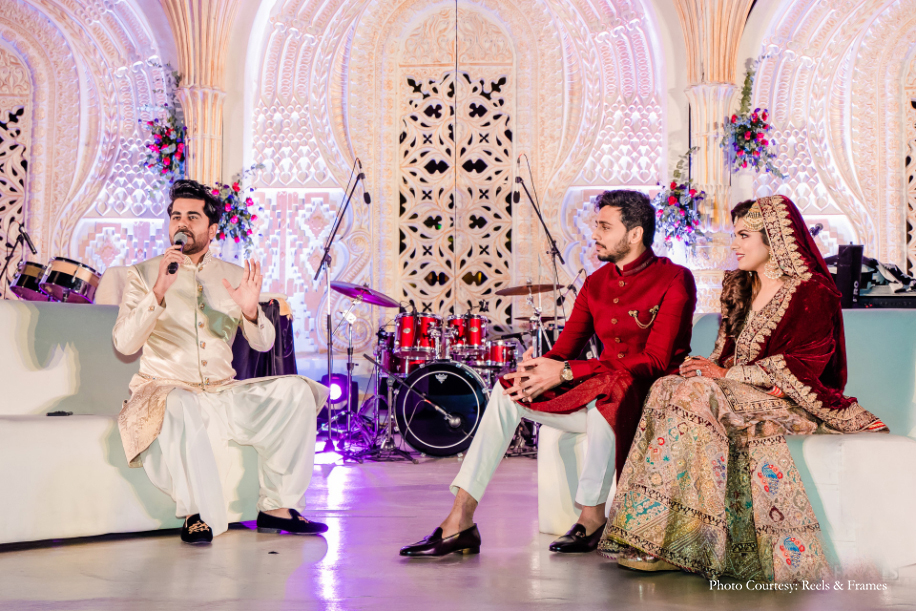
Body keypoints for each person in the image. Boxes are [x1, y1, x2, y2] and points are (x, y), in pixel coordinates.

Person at [600, 195, 889, 582]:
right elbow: (724, 355)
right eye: (733, 235)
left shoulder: (812, 292)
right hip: (736, 396)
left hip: (792, 401)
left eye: (743, 235)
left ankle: (687, 543)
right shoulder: (739, 287)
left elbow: (806, 364)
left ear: (774, 240)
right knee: (667, 386)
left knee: (696, 393)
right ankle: (655, 534)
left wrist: (724, 375)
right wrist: (703, 368)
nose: (734, 244)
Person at [400, 189, 697, 557]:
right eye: (596, 226)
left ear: (635, 234)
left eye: (605, 227)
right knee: (509, 388)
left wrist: (568, 371)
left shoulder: (675, 278)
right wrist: (538, 366)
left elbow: (654, 361)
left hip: (645, 400)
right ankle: (460, 519)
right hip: (597, 395)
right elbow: (564, 350)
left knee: (614, 391)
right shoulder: (596, 283)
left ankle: (592, 517)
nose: (595, 234)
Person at [113, 179, 329, 545]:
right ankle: (196, 514)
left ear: (212, 229)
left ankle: (277, 507)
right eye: (176, 216)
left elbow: (263, 343)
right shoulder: (143, 274)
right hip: (166, 391)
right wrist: (159, 292)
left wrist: (251, 312)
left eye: (192, 217)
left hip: (221, 392)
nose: (182, 223)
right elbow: (124, 344)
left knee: (295, 392)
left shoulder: (232, 276)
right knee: (181, 403)